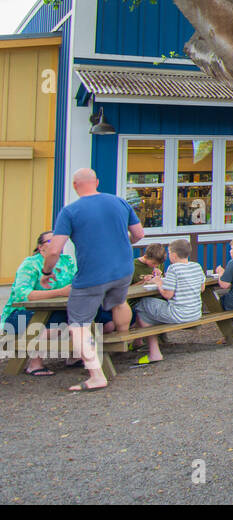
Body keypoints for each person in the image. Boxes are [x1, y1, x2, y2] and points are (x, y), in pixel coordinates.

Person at [45, 167, 144, 392]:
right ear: (97, 181)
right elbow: (139, 234)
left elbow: (53, 251)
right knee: (119, 303)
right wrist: (119, 245)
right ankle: (123, 344)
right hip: (122, 269)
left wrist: (46, 273)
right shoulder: (120, 202)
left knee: (78, 325)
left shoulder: (70, 211)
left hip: (92, 275)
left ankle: (96, 375)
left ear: (74, 185)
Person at [2, 232, 75, 376]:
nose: (57, 243)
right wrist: (60, 292)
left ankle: (75, 357)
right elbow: (23, 294)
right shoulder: (30, 264)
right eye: (52, 240)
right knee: (56, 327)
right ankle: (34, 364)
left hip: (55, 311)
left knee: (87, 320)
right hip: (20, 314)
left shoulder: (67, 261)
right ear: (41, 248)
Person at [130, 238, 205, 365]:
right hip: (196, 313)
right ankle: (140, 342)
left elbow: (168, 295)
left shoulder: (174, 269)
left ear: (174, 255)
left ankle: (154, 352)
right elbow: (202, 288)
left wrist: (159, 283)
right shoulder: (196, 266)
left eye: (169, 252)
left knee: (142, 305)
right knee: (150, 307)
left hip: (179, 314)